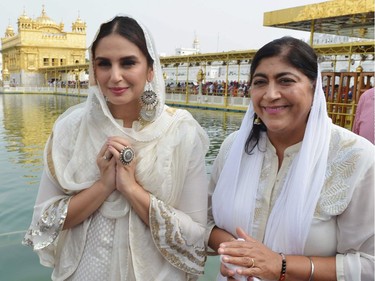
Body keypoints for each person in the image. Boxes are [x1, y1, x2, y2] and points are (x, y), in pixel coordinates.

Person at [23, 15, 210, 281]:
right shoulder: (71, 129)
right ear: (93, 69)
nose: (115, 76)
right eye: (104, 64)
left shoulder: (179, 132)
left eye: (128, 63)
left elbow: (195, 233)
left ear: (150, 70)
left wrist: (131, 189)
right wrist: (103, 186)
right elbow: (45, 220)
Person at [207, 36, 374, 281]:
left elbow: (370, 263)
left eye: (286, 81)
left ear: (314, 87)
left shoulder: (357, 157)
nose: (271, 94)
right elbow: (207, 221)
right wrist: (241, 255)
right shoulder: (234, 147)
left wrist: (281, 265)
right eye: (260, 82)